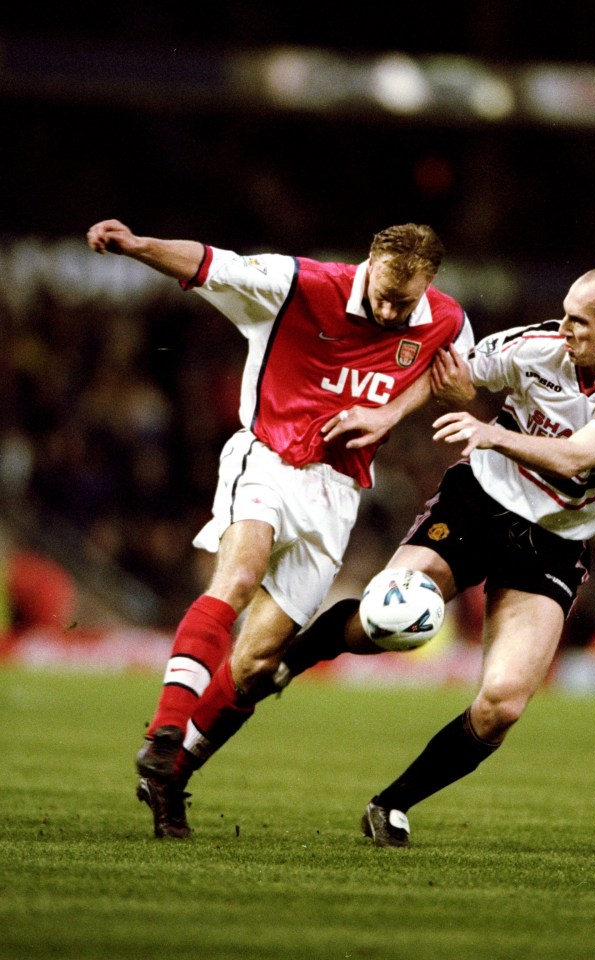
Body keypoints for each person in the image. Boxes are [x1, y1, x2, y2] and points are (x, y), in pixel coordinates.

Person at [86, 217, 475, 838]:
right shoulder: (300, 283)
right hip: (267, 455)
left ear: (430, 285)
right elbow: (211, 262)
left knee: (258, 664)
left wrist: (388, 414)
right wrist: (136, 246)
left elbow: (446, 377)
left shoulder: (447, 320)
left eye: (405, 301)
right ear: (367, 264)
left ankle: (172, 778)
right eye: (382, 291)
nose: (389, 306)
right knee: (237, 575)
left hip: (337, 492)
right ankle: (165, 728)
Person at [267, 264, 595, 848]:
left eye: (579, 322)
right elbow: (449, 370)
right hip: (481, 500)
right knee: (385, 618)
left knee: (502, 706)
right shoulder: (538, 344)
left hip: (553, 539)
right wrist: (395, 410)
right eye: (564, 313)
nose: (564, 328)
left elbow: (579, 457)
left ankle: (391, 804)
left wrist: (492, 430)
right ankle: (281, 665)